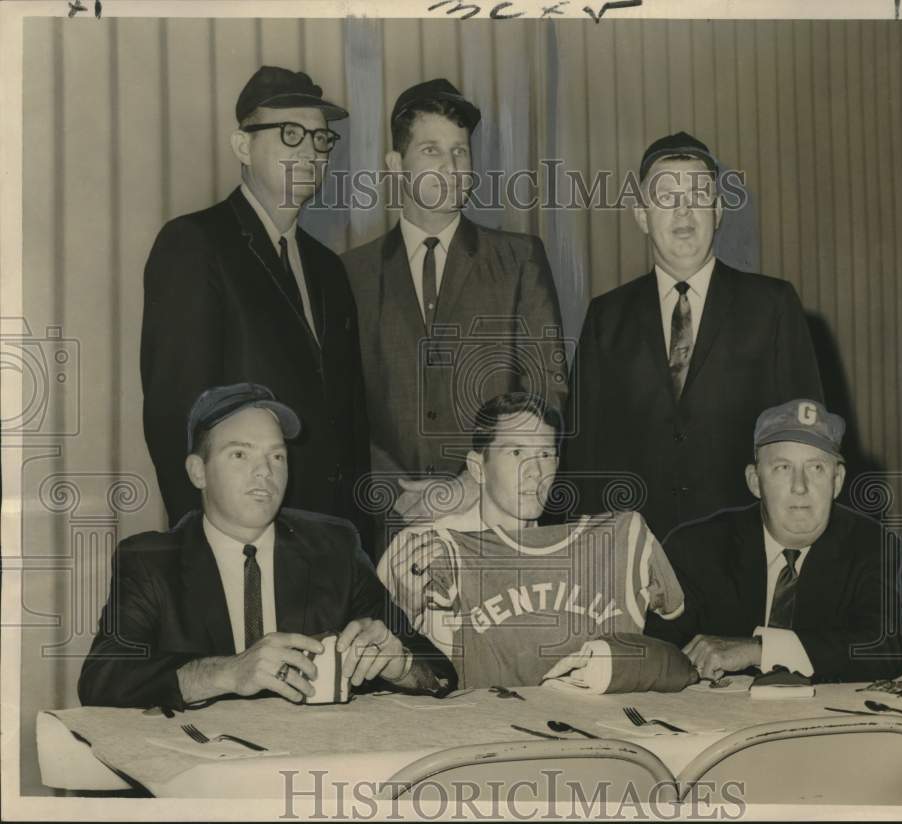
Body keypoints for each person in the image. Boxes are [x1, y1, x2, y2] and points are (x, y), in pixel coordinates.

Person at [78, 384, 455, 709]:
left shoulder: (333, 548)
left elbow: (440, 675)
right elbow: (102, 679)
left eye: (277, 456)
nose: (265, 472)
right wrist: (225, 672)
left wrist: (400, 664)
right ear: (197, 471)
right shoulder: (150, 562)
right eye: (240, 454)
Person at [140, 66, 369, 539]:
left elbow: (349, 422)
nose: (310, 150)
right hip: (240, 542)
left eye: (321, 139)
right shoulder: (195, 244)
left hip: (331, 547)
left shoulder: (329, 268)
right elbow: (176, 420)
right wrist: (202, 553)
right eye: (290, 134)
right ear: (242, 146)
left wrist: (358, 544)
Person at [560, 131, 824, 541]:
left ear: (718, 211)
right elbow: (581, 460)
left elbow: (807, 446)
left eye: (698, 196)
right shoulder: (606, 317)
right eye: (666, 197)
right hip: (634, 558)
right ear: (642, 215)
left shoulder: (771, 306)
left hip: (742, 556)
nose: (684, 212)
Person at [342, 79, 566, 546]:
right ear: (394, 166)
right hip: (391, 524)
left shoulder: (519, 258)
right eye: (431, 150)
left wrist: (472, 482)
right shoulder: (351, 273)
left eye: (460, 152)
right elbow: (342, 408)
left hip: (498, 520)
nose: (450, 167)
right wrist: (397, 492)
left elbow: (546, 392)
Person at [378, 392, 694, 690]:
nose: (535, 472)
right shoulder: (421, 548)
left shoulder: (602, 547)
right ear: (478, 467)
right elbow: (376, 669)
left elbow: (671, 625)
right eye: (516, 452)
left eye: (545, 454)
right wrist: (405, 609)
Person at [646, 399, 902, 683]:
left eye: (816, 468)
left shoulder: (870, 544)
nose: (800, 487)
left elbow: (885, 647)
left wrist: (761, 650)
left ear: (838, 480)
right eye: (783, 468)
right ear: (755, 481)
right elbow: (654, 648)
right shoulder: (696, 547)